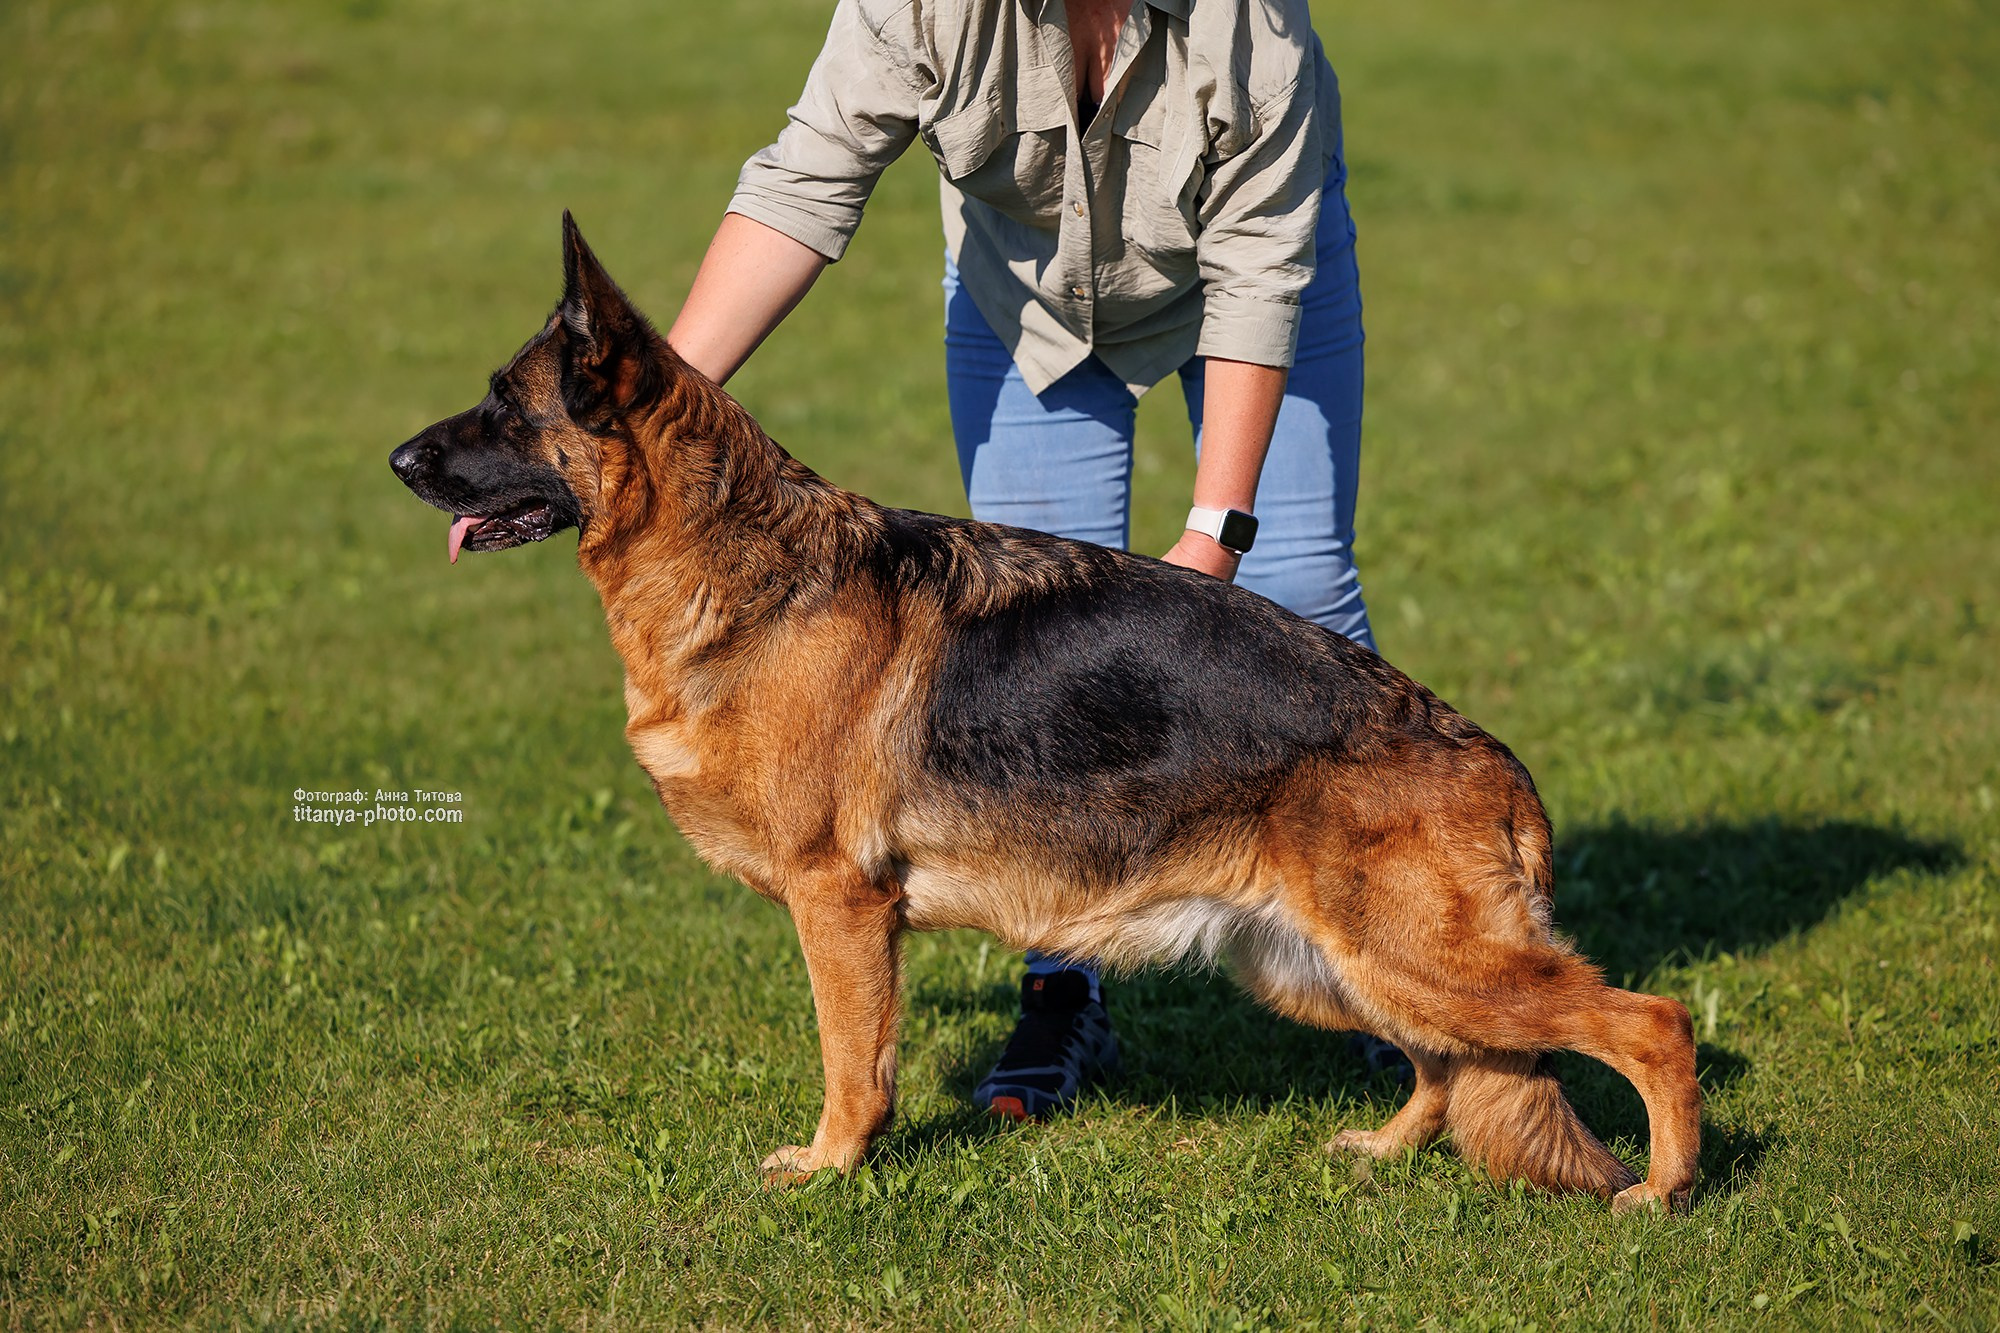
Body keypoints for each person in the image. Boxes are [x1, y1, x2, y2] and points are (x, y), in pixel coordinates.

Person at [668, 0, 1388, 1121]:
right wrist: (651, 410)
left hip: (1250, 287)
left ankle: (1395, 963)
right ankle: (1063, 991)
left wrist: (1216, 533)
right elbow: (803, 183)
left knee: (1298, 590)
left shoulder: (1254, 32)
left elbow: (1258, 276)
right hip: (1031, 301)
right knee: (1037, 656)